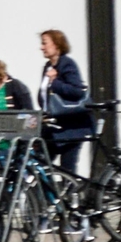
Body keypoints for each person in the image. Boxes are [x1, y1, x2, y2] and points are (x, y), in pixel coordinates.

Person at [39, 28, 93, 173]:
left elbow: (77, 91)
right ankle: (49, 195)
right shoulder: (48, 67)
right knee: (39, 166)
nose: (41, 47)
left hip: (70, 129)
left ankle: (70, 195)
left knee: (67, 170)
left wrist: (55, 81)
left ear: (56, 45)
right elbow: (45, 98)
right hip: (53, 127)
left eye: (45, 43)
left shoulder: (67, 64)